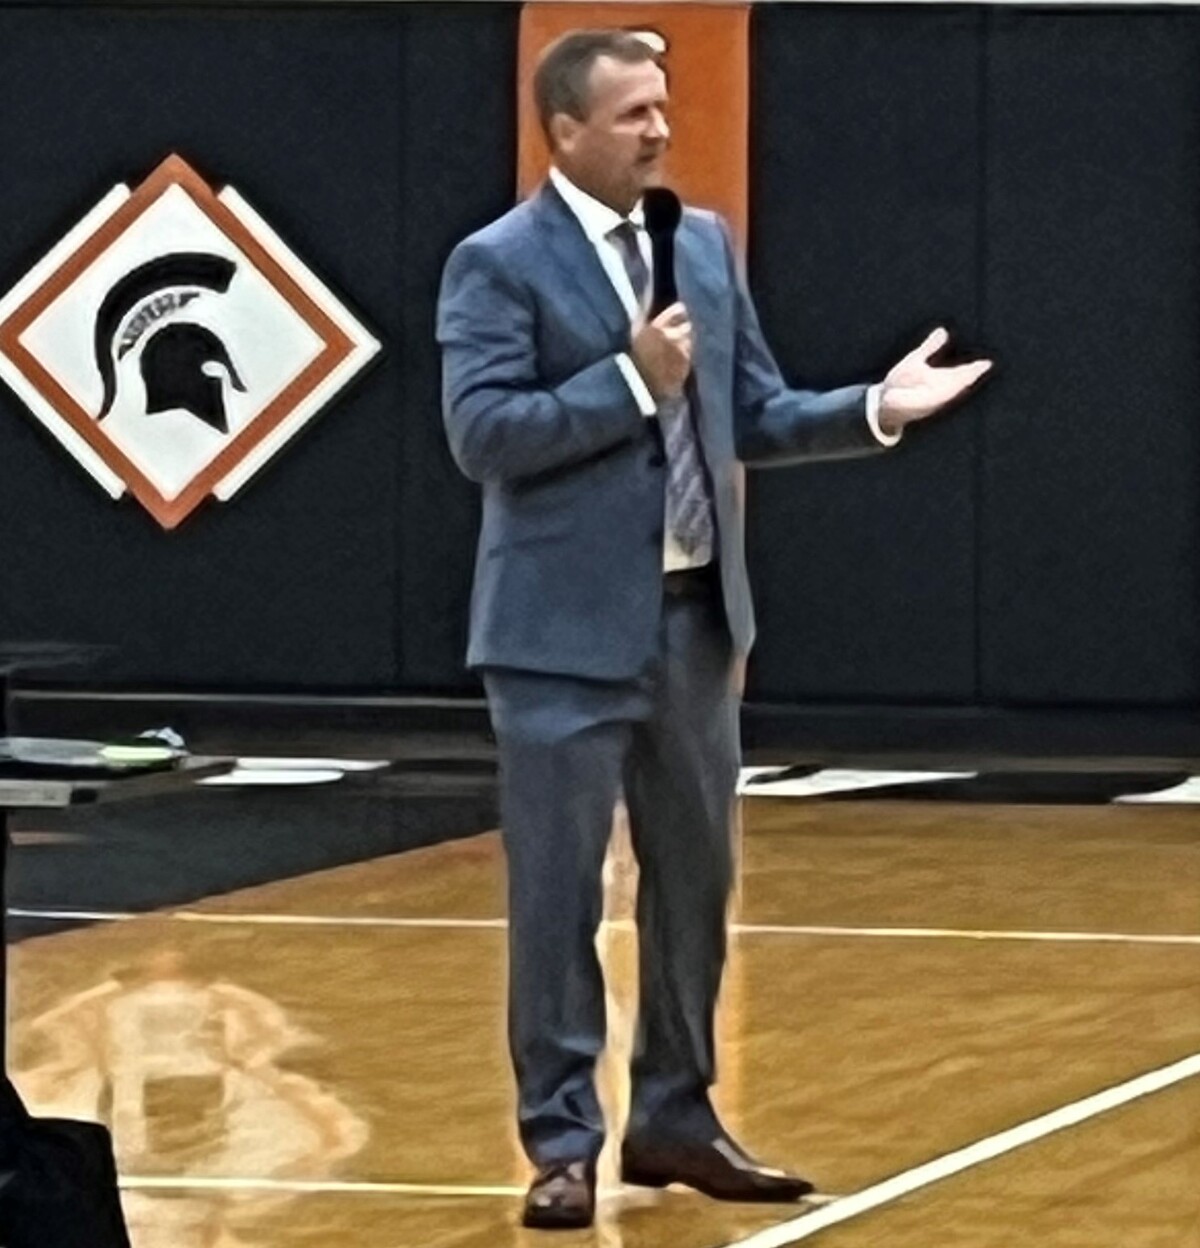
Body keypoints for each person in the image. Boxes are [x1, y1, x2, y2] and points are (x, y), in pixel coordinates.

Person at [436, 28, 991, 1231]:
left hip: (693, 625)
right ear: (564, 131)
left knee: (695, 884)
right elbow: (483, 436)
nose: (659, 130)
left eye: (662, 106)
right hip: (555, 638)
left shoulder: (701, 243)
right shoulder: (497, 262)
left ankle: (676, 1119)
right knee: (558, 899)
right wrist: (629, 380)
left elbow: (751, 414)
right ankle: (561, 1142)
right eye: (632, 113)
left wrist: (876, 408)